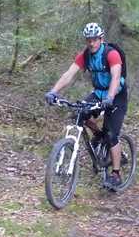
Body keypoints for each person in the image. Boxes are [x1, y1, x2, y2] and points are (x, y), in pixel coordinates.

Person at [45, 22, 128, 190]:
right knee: (80, 115)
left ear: (101, 39)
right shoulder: (86, 55)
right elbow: (69, 74)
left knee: (112, 134)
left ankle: (116, 174)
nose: (91, 43)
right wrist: (53, 92)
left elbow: (115, 77)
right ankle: (98, 135)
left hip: (117, 95)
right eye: (88, 40)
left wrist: (110, 97)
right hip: (98, 93)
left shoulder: (111, 54)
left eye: (94, 40)